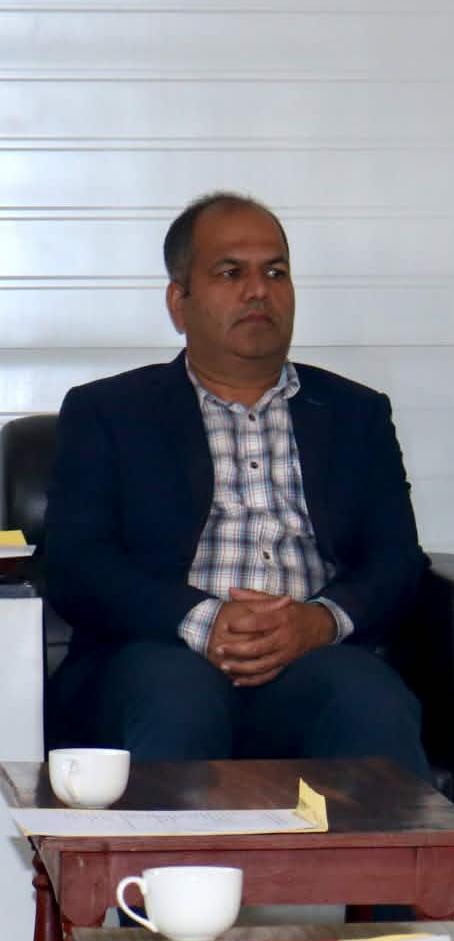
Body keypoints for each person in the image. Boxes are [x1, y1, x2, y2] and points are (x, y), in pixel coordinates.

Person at [44, 192, 431, 778]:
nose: (258, 291)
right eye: (230, 273)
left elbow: (397, 560)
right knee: (177, 702)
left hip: (312, 658)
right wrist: (204, 619)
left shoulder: (356, 413)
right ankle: (169, 847)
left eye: (275, 272)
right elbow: (76, 563)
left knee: (369, 701)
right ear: (179, 302)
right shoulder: (109, 412)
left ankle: (390, 846)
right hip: (157, 653)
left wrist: (322, 620)